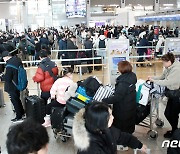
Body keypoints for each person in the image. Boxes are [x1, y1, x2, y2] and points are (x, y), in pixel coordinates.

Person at [73, 102, 147, 154]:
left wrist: (139, 145)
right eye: (110, 116)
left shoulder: (103, 128)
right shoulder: (90, 149)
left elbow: (122, 136)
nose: (113, 117)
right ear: (100, 121)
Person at [149, 52, 180, 138]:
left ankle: (175, 131)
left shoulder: (176, 69)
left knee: (173, 114)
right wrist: (152, 77)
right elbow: (161, 77)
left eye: (164, 62)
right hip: (172, 94)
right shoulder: (169, 67)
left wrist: (154, 81)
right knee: (168, 113)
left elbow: (167, 81)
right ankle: (175, 130)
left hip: (176, 95)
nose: (163, 64)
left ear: (169, 61)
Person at [103, 61, 137, 134]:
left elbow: (117, 97)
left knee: (121, 125)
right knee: (128, 124)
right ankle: (128, 136)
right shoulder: (131, 77)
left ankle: (122, 138)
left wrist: (104, 100)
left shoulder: (123, 82)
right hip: (130, 105)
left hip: (123, 108)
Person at [1, 51, 25, 123]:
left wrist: (2, 76)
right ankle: (22, 112)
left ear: (6, 57)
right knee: (17, 99)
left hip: (12, 86)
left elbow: (8, 78)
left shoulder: (9, 65)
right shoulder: (17, 60)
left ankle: (19, 117)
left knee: (14, 100)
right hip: (17, 83)